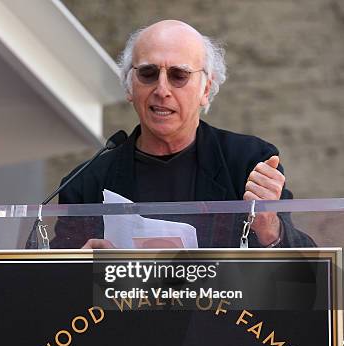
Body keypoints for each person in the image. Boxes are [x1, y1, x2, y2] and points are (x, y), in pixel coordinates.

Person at [56, 20, 314, 249]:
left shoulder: (249, 163)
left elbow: (308, 280)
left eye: (179, 75)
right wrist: (80, 269)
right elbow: (46, 287)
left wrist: (269, 227)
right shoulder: (86, 182)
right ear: (129, 86)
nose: (162, 89)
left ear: (205, 89)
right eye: (148, 73)